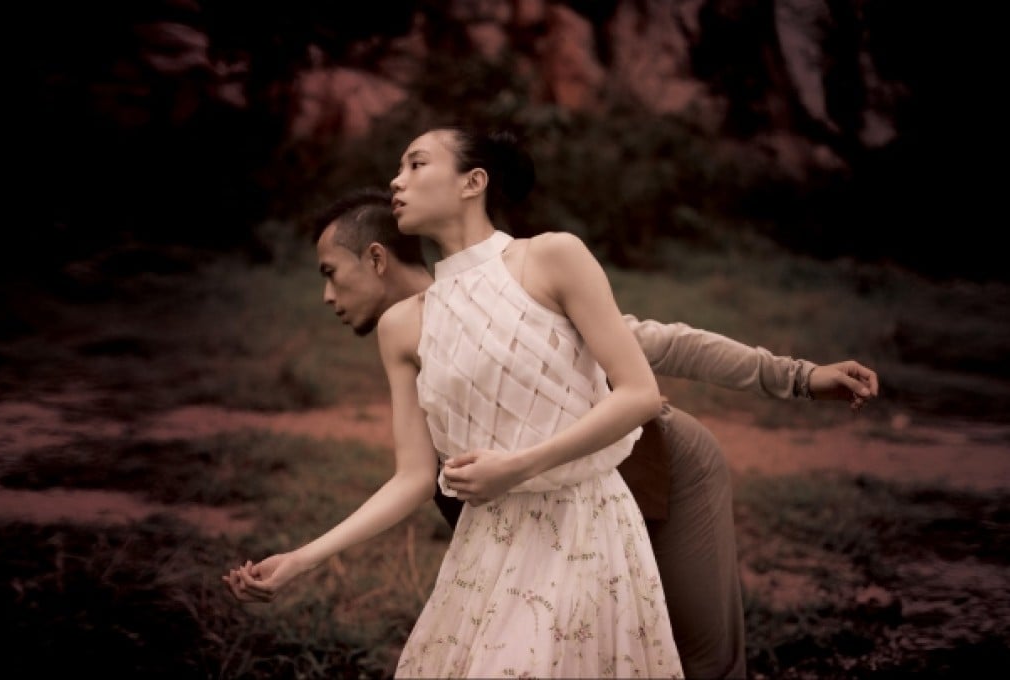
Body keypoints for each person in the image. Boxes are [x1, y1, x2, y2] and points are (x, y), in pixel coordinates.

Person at [225, 128, 878, 677]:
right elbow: (416, 476)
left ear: (472, 182)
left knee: (698, 657)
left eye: (415, 163)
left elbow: (658, 349)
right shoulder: (408, 330)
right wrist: (301, 560)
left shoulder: (543, 263)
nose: (396, 180)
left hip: (655, 464)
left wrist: (796, 376)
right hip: (527, 515)